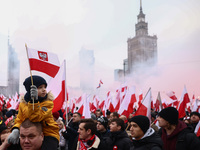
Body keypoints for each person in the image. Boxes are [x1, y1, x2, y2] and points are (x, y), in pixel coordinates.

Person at [7, 75, 59, 150]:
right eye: (40, 87)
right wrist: (15, 130)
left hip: (49, 133)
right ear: (30, 90)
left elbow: (36, 118)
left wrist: (34, 101)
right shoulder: (22, 104)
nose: (44, 90)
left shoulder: (48, 103)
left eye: (45, 87)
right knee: (12, 146)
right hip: (28, 135)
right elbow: (19, 120)